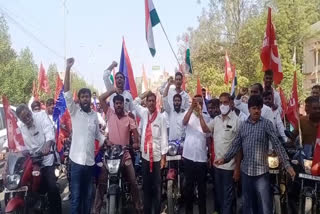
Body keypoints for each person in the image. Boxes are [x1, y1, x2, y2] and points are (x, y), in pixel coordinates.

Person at [215, 95, 295, 214]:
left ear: (261, 109)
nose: (256, 111)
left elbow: (277, 144)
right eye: (253, 108)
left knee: (265, 206)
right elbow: (236, 145)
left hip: (261, 173)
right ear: (249, 109)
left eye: (258, 108)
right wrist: (224, 159)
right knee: (248, 206)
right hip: (246, 172)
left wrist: (287, 165)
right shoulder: (243, 126)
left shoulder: (266, 124)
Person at [63, 58, 106, 214]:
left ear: (90, 99)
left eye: (88, 96)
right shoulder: (74, 112)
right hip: (76, 163)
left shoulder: (94, 116)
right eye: (83, 97)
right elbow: (66, 92)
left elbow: (97, 135)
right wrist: (67, 69)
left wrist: (107, 140)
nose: (86, 99)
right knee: (76, 198)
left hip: (89, 163)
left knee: (88, 197)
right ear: (79, 100)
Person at [92, 88, 143, 214]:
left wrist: (136, 143)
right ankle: (96, 210)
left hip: (125, 154)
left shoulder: (130, 117)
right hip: (110, 154)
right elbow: (101, 98)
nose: (119, 105)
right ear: (114, 105)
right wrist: (113, 90)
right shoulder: (109, 113)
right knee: (102, 181)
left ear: (123, 104)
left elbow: (135, 134)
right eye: (116, 103)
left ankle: (139, 208)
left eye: (121, 103)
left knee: (133, 181)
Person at [16, 104, 62, 214]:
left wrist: (47, 145)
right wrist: (16, 150)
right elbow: (15, 141)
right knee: (25, 185)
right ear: (20, 119)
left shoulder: (41, 116)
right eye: (24, 118)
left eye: (28, 115)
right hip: (31, 160)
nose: (27, 119)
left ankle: (56, 211)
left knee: (52, 188)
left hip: (47, 157)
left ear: (30, 111)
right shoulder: (19, 126)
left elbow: (49, 132)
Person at [133, 91, 168, 214]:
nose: (151, 103)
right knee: (146, 187)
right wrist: (145, 94)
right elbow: (134, 103)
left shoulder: (161, 117)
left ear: (156, 102)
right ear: (146, 103)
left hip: (158, 158)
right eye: (149, 100)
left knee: (157, 188)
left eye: (153, 100)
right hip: (145, 157)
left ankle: (157, 210)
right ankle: (147, 211)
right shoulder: (143, 113)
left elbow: (164, 137)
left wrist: (164, 157)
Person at [208, 93, 241, 214]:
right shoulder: (216, 120)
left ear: (231, 104)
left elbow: (238, 148)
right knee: (220, 197)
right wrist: (199, 114)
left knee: (228, 199)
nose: (223, 105)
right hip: (217, 166)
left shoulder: (237, 121)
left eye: (225, 102)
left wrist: (237, 169)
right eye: (221, 103)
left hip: (230, 168)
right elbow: (205, 129)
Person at [182, 95, 211, 214]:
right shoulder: (188, 114)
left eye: (200, 102)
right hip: (188, 156)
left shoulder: (207, 117)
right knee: (188, 188)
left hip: (201, 158)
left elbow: (206, 130)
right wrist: (191, 108)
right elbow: (184, 122)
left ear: (202, 104)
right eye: (195, 102)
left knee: (202, 189)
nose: (197, 104)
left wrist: (200, 114)